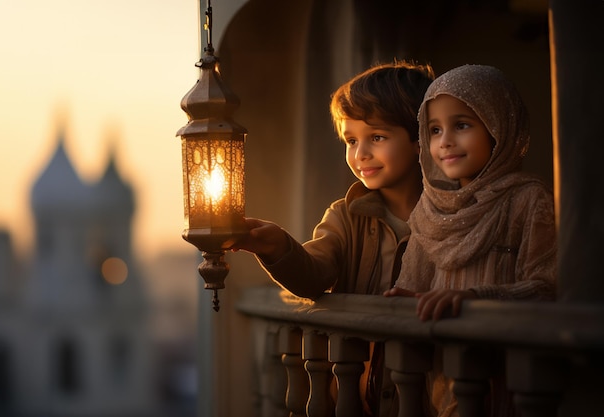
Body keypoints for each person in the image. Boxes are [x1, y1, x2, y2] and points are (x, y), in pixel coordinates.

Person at [232, 59, 435, 416]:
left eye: (377, 137)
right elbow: (313, 274)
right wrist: (277, 247)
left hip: (432, 394)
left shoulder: (453, 215)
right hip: (359, 395)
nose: (361, 154)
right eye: (351, 140)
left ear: (419, 139)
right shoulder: (346, 216)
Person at [384, 64, 557, 417]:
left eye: (461, 125)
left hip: (507, 382)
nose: (445, 141)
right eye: (434, 130)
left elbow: (547, 286)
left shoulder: (528, 199)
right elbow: (413, 286)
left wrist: (475, 298)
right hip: (443, 382)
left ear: (499, 127)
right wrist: (408, 302)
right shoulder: (429, 210)